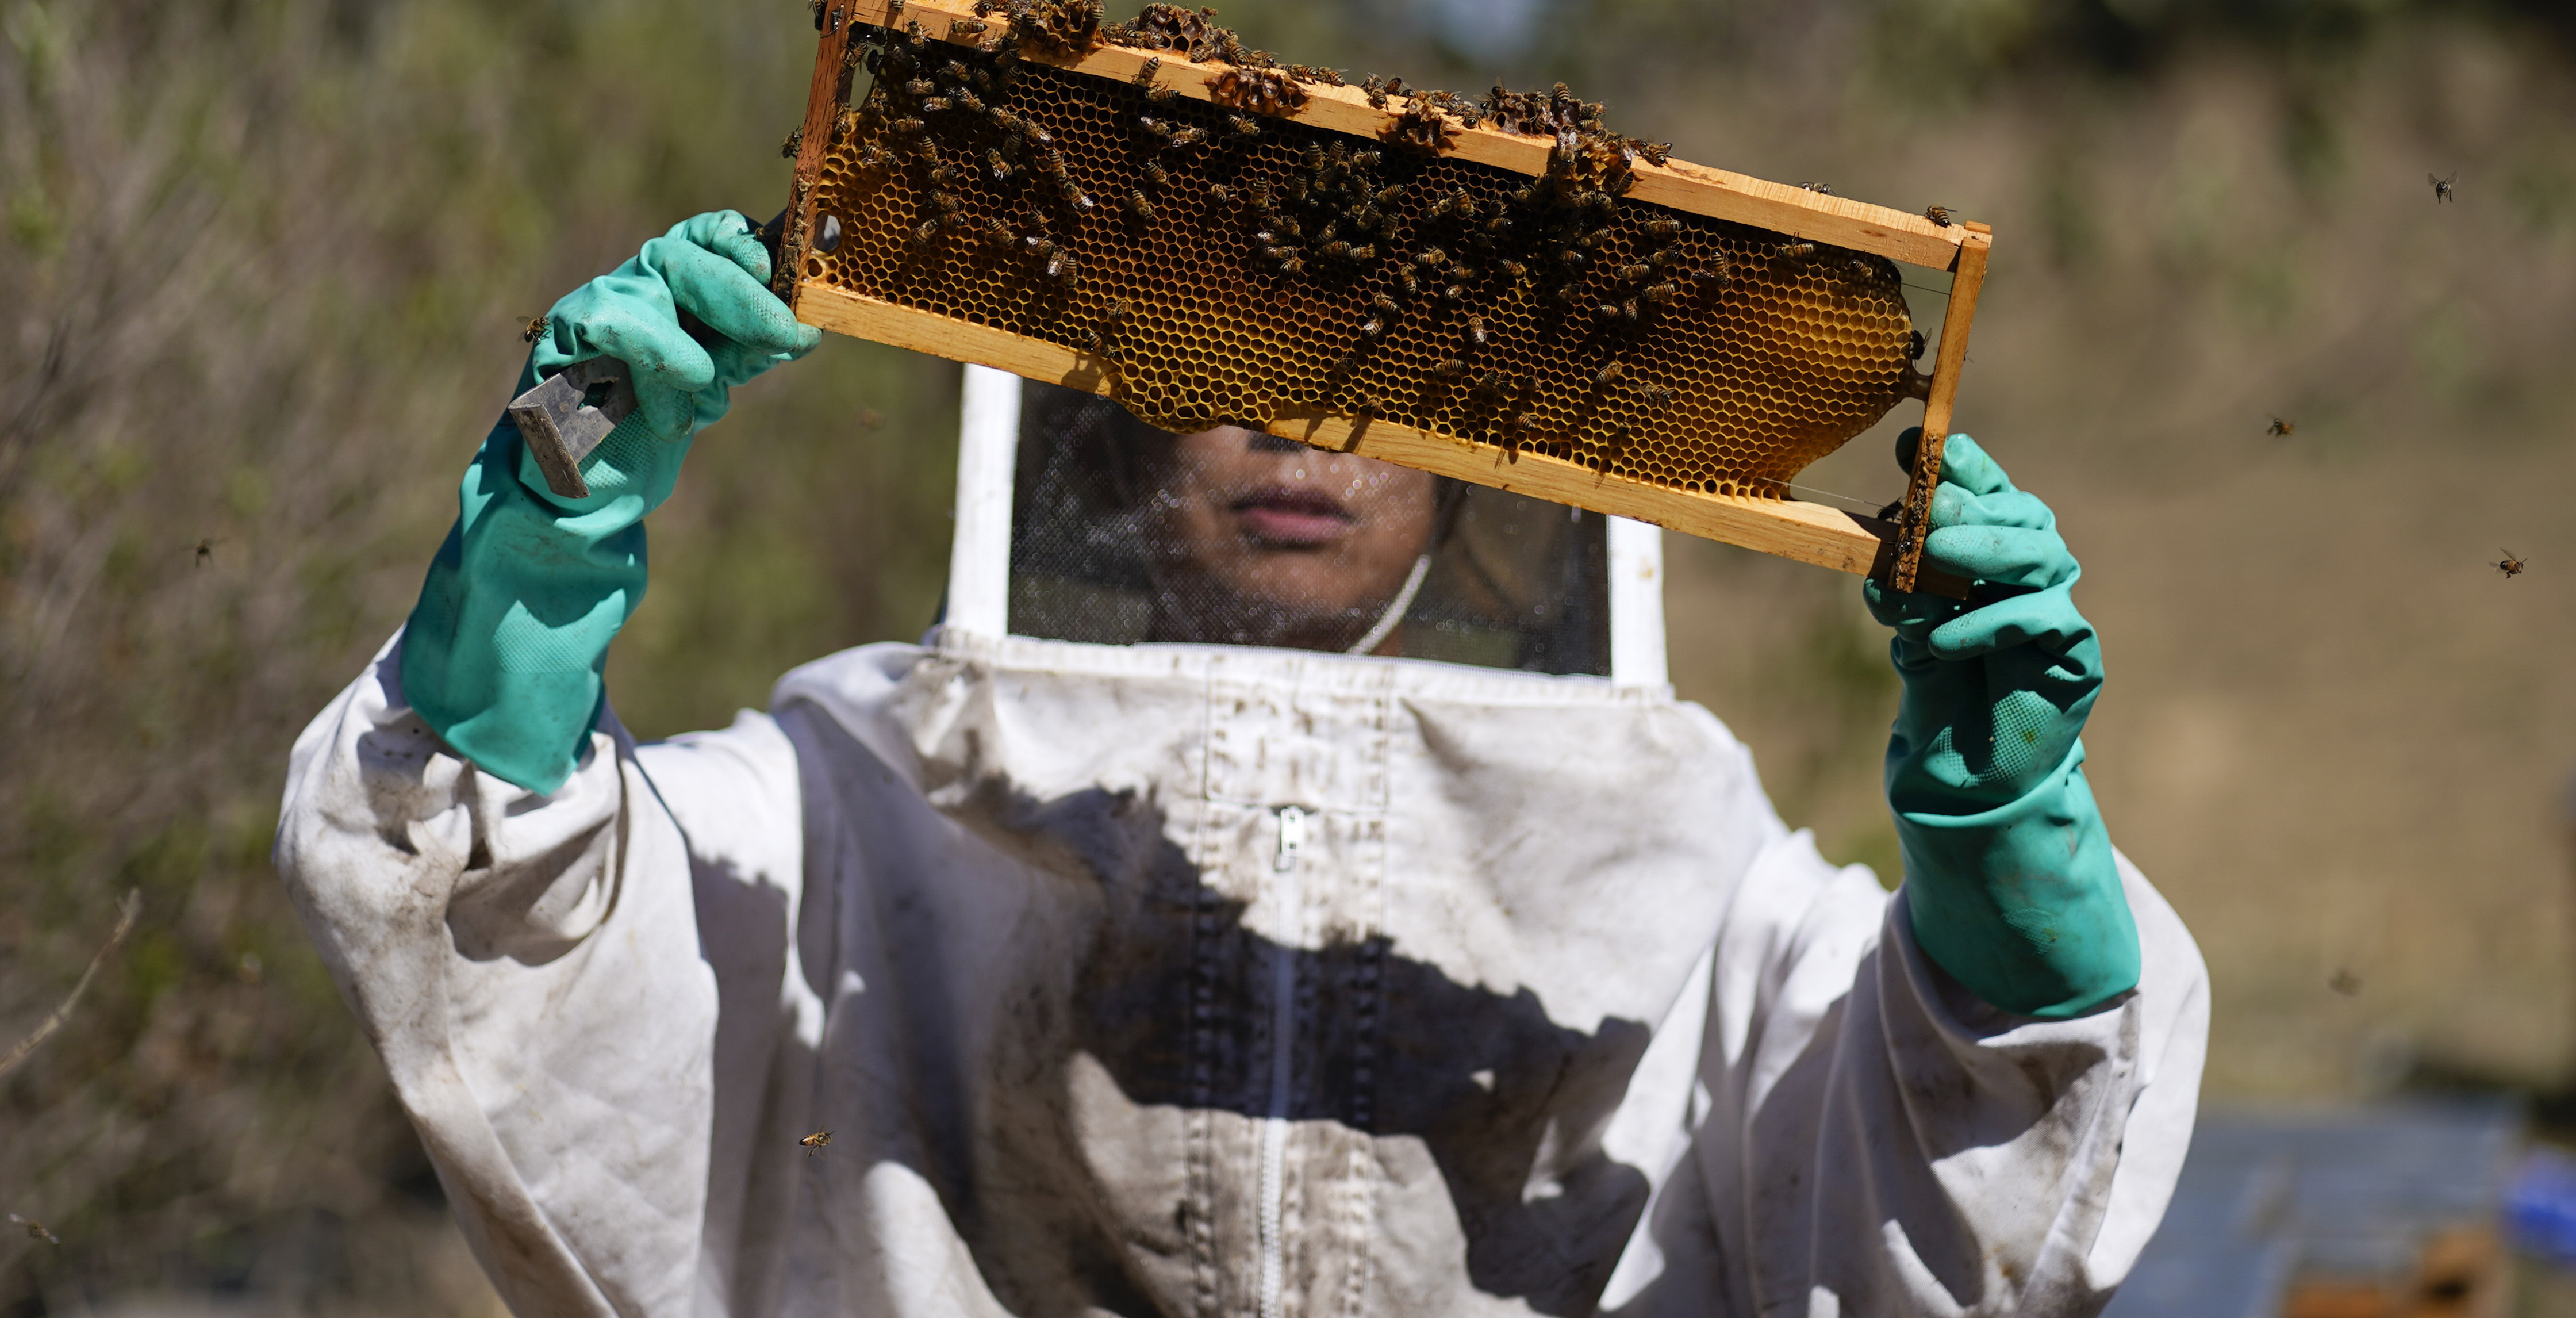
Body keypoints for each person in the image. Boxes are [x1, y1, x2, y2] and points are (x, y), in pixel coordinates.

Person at [278, 211, 2207, 1317]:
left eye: (1398, 385)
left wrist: (2002, 841)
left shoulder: (1667, 821)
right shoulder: (877, 768)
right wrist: (530, 573)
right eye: (1232, 367)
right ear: (1112, 425)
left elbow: (1943, 1141)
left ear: (1489, 470)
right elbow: (515, 897)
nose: (1308, 437)